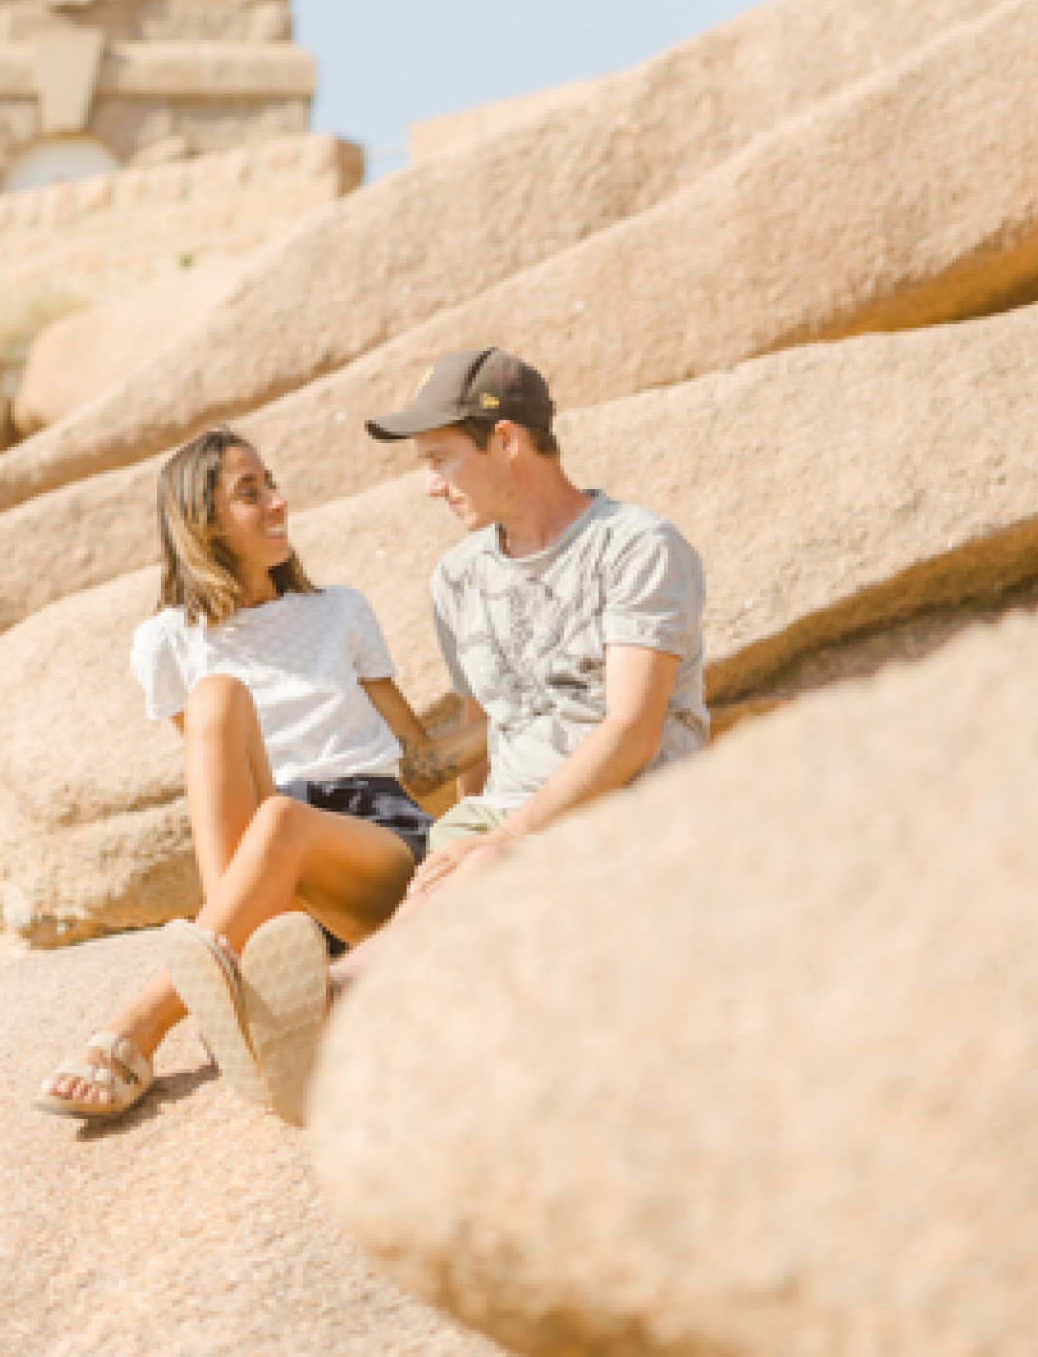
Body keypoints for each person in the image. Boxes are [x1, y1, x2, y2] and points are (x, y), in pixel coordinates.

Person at [205, 344, 709, 1108]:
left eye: (440, 460)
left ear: (505, 441)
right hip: (503, 824)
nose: (431, 487)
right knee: (446, 888)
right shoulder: (459, 578)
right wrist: (463, 838)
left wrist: (500, 843)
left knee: (485, 881)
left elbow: (632, 731)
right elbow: (486, 727)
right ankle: (318, 1018)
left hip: (625, 814)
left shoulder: (637, 548)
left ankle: (326, 1003)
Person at [36, 423, 475, 1128]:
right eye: (251, 492)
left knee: (281, 821)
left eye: (270, 484)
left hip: (370, 845)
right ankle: (238, 960)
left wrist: (527, 717)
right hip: (265, 877)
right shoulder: (166, 642)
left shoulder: (338, 610)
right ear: (204, 522)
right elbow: (219, 779)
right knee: (218, 700)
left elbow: (416, 756)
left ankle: (143, 1025)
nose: (278, 502)